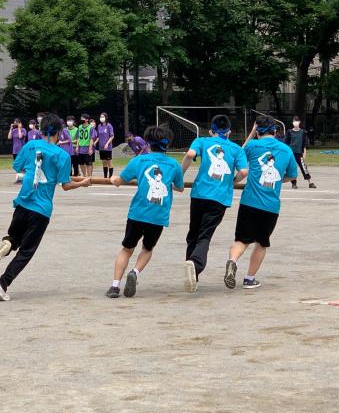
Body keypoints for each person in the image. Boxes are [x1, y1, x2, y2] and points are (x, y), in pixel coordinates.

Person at [0, 114, 91, 302]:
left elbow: (18, 167)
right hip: (41, 209)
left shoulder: (29, 146)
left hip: (23, 202)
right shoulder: (62, 155)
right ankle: (1, 284)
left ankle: (8, 242)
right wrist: (83, 183)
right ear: (59, 132)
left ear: (41, 130)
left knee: (15, 238)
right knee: (27, 251)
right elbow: (65, 184)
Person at [107, 126, 185, 298]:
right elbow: (180, 187)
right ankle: (135, 272)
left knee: (127, 248)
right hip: (158, 215)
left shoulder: (139, 161)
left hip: (137, 213)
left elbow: (120, 180)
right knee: (147, 248)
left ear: (148, 143)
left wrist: (113, 179)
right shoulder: (173, 164)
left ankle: (114, 286)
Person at [224, 116, 297, 290]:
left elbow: (238, 154)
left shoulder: (252, 146)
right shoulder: (286, 150)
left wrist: (251, 135)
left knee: (241, 240)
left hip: (249, 201)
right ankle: (249, 279)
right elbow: (292, 175)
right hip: (270, 205)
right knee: (262, 243)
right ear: (275, 131)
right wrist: (280, 181)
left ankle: (232, 261)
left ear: (258, 131)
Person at [179, 115, 248, 293]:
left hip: (200, 194)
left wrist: (179, 176)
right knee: (205, 235)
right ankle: (195, 265)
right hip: (219, 197)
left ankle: (192, 270)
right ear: (229, 132)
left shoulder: (202, 141)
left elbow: (190, 154)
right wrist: (233, 181)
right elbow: (243, 171)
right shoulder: (236, 149)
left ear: (211, 130)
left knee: (193, 233)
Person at [285, 117, 316, 189]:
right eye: (294, 121)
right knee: (292, 168)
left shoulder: (303, 132)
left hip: (299, 153)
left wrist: (304, 153)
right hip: (291, 154)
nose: (295, 122)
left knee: (304, 167)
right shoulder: (289, 132)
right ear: (292, 122)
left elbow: (304, 144)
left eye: (297, 121)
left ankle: (310, 183)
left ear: (299, 122)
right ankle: (294, 184)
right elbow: (286, 143)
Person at [97, 113, 116, 179]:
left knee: (109, 162)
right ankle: (105, 177)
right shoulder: (99, 126)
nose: (101, 118)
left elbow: (112, 136)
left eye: (103, 116)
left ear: (106, 117)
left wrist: (107, 143)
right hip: (101, 147)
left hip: (107, 148)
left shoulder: (109, 126)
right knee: (104, 162)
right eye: (100, 116)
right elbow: (98, 136)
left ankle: (110, 177)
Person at [9, 118, 27, 183]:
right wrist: (11, 128)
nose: (16, 124)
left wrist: (19, 129)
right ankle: (19, 178)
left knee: (22, 165)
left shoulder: (23, 130)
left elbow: (20, 136)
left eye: (17, 123)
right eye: (15, 123)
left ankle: (23, 178)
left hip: (21, 150)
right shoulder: (14, 130)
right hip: (15, 150)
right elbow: (9, 137)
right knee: (17, 164)